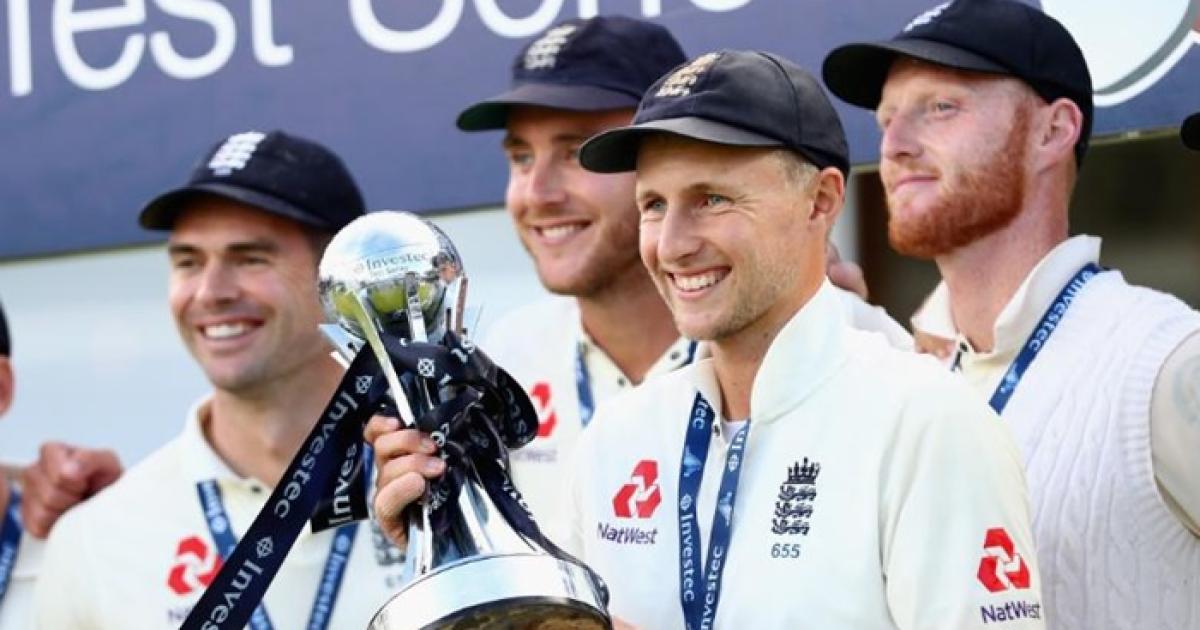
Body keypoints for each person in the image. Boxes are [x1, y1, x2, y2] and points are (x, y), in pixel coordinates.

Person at [371, 50, 1044, 629]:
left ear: (820, 201)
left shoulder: (927, 422)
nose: (672, 245)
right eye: (654, 205)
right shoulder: (620, 436)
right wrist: (455, 540)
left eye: (713, 199)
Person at [423, 15, 908, 539]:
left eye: (576, 151)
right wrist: (437, 523)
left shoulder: (866, 349)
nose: (537, 194)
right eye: (521, 157)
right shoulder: (503, 357)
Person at [822, 1, 1200, 628]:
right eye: (886, 119)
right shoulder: (896, 374)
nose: (894, 145)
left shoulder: (1165, 362)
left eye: (940, 107)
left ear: (1054, 131)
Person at [33, 130, 403, 629]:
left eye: (250, 258)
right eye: (188, 262)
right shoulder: (94, 539)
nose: (210, 292)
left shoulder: (444, 482)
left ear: (341, 280)